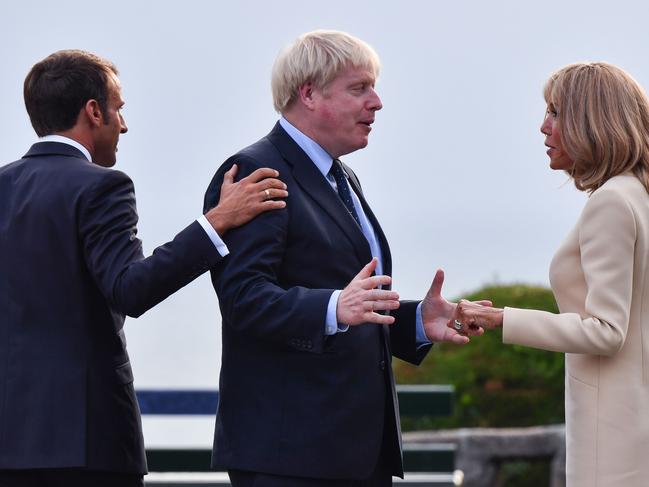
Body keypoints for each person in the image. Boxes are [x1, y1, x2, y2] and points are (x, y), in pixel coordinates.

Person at [203, 30, 482, 486]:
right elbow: (244, 299)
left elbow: (350, 307)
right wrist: (335, 306)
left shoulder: (341, 175)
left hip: (357, 454)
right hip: (289, 457)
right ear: (308, 93)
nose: (377, 102)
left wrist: (415, 322)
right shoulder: (260, 172)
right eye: (359, 89)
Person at [0, 50, 287, 487]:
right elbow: (130, 289)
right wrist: (217, 222)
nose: (124, 124)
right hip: (89, 443)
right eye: (118, 108)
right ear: (93, 112)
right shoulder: (102, 185)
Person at [452, 62, 649, 487]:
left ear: (592, 121)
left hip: (612, 435)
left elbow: (606, 332)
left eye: (556, 112)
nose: (544, 127)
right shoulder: (637, 194)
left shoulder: (611, 203)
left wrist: (501, 318)